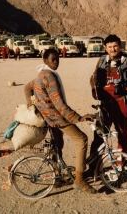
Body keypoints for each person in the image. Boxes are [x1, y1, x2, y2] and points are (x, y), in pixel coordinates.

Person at [24, 49, 96, 194]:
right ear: (45, 60)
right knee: (82, 139)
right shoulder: (50, 76)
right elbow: (60, 105)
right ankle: (79, 180)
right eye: (53, 59)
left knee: (57, 145)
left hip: (47, 118)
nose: (56, 62)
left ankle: (56, 177)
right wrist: (78, 118)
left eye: (57, 59)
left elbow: (27, 87)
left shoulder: (40, 75)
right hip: (56, 118)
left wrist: (31, 104)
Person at [86, 34, 127, 177]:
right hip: (105, 105)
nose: (113, 49)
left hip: (122, 103)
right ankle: (93, 168)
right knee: (99, 135)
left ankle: (120, 166)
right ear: (105, 48)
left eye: (115, 46)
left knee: (122, 135)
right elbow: (93, 78)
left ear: (120, 47)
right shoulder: (102, 61)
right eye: (109, 47)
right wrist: (94, 91)